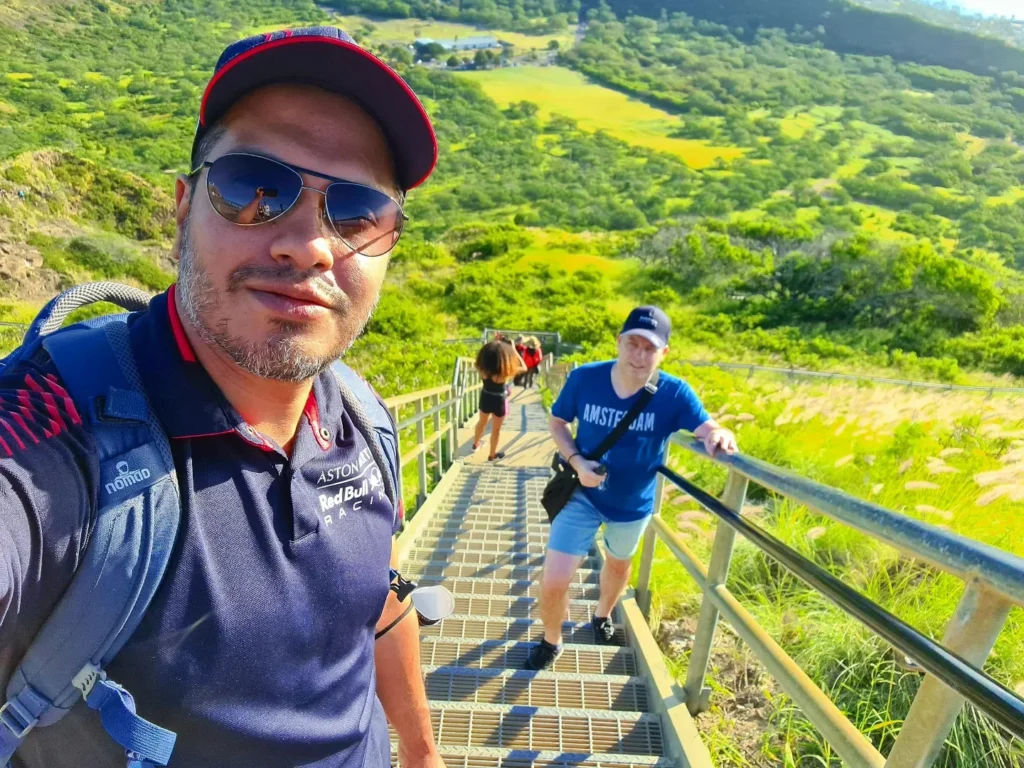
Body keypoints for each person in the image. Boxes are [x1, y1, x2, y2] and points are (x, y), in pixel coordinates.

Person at [0, 27, 446, 768]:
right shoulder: (53, 424)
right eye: (253, 188)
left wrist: (424, 752)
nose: (307, 244)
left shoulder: (363, 418)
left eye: (358, 210)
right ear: (181, 205)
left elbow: (375, 595)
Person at [526, 306, 738, 671]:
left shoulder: (673, 393)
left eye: (649, 349)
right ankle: (551, 639)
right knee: (554, 577)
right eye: (632, 344)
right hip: (582, 495)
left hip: (632, 503)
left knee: (618, 564)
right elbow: (558, 420)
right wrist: (577, 461)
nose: (639, 356)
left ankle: (602, 615)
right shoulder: (585, 379)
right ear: (618, 342)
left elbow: (706, 427)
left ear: (664, 353)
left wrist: (718, 433)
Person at [472, 340, 525, 461]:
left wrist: (492, 342)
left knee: (482, 422)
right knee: (496, 430)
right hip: (499, 401)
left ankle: (475, 444)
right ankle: (492, 455)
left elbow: (480, 358)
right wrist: (513, 349)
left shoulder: (482, 369)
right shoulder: (505, 372)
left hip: (485, 397)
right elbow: (524, 367)